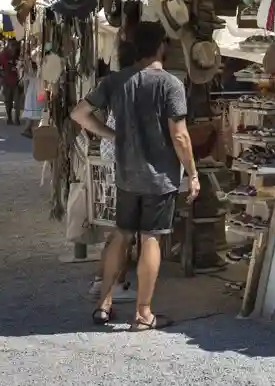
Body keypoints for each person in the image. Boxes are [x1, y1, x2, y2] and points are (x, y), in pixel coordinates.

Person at [71, 21, 198, 331]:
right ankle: (143, 314)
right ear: (161, 47)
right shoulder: (170, 84)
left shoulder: (115, 81)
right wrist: (193, 173)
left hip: (126, 174)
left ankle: (103, 304)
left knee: (122, 234)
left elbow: (78, 113)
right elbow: (179, 136)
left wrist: (111, 134)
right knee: (151, 238)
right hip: (160, 177)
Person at [0, 38, 22, 126]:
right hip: (6, 81)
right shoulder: (3, 55)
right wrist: (2, 73)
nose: (14, 47)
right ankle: (9, 118)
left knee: (17, 101)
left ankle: (17, 119)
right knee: (8, 101)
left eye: (15, 45)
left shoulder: (19, 54)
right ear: (8, 45)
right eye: (12, 45)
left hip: (17, 81)